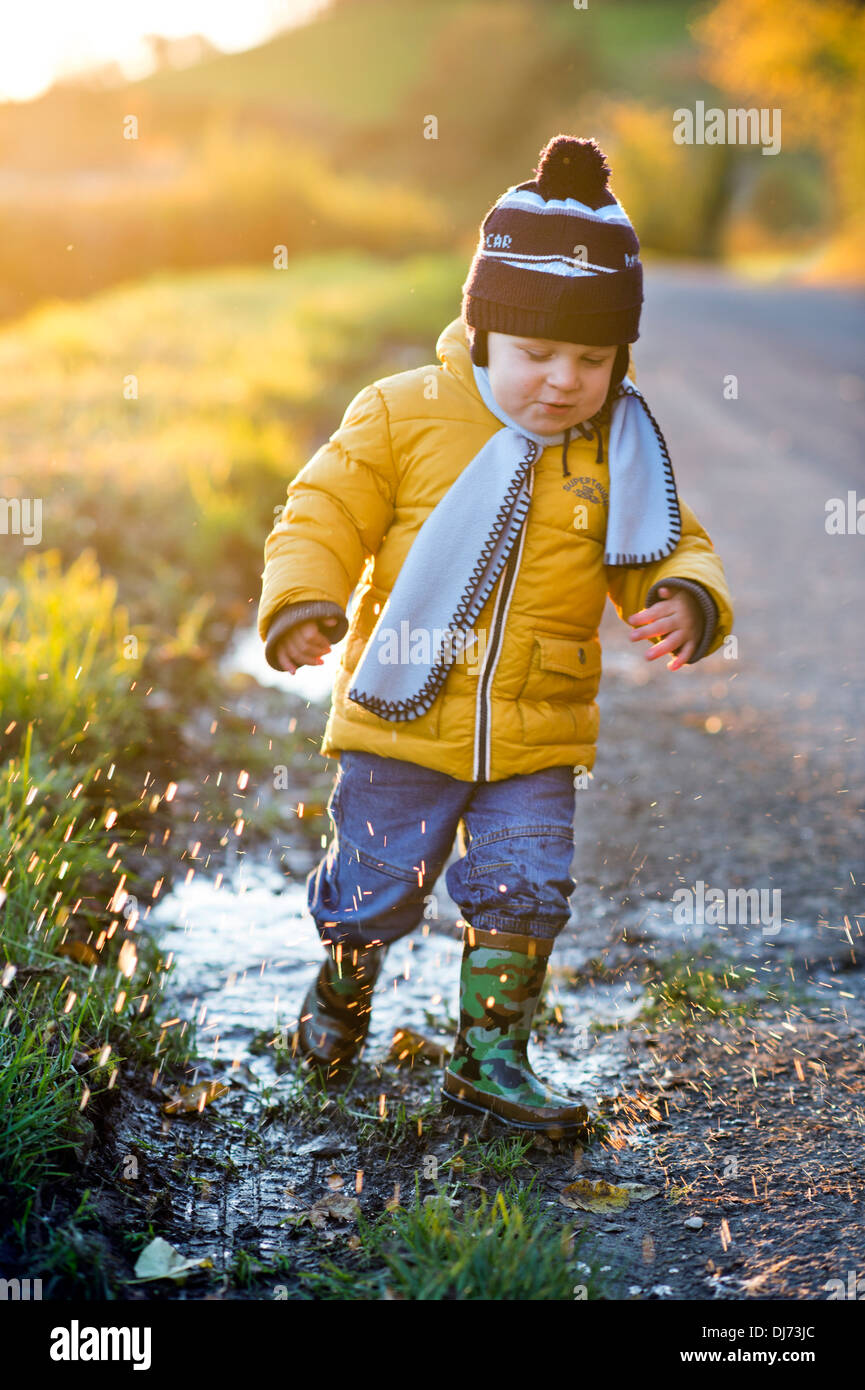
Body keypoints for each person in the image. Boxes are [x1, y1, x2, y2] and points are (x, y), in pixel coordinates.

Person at [257, 135, 734, 1138]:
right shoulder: (400, 415)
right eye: (536, 353)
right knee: (373, 887)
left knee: (526, 889)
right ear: (480, 333)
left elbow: (662, 540)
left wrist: (686, 593)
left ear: (619, 358)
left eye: (591, 358)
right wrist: (304, 600)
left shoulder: (616, 446)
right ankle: (343, 992)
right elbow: (320, 511)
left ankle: (489, 1054)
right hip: (401, 719)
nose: (562, 380)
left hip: (538, 726)